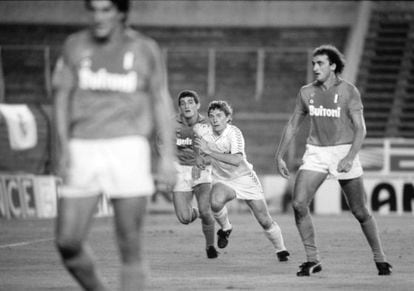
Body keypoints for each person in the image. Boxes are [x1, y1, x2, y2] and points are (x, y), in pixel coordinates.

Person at [52, 1, 176, 290]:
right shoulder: (74, 45)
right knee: (67, 242)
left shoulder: (145, 48)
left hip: (128, 149)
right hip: (83, 147)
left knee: (129, 245)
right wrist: (63, 147)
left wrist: (167, 156)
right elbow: (60, 99)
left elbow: (160, 98)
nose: (98, 16)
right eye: (93, 9)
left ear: (121, 12)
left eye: (106, 9)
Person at [275, 44, 392, 276]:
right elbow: (292, 125)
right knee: (298, 204)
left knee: (359, 210)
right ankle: (312, 259)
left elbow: (361, 129)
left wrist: (350, 156)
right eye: (313, 64)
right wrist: (279, 154)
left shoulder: (349, 91)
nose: (315, 68)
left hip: (343, 150)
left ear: (333, 66)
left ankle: (380, 258)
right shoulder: (306, 92)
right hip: (316, 152)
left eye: (320, 63)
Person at [195, 100, 290, 262]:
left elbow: (236, 160)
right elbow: (199, 148)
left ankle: (281, 250)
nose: (215, 119)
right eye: (211, 116)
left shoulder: (234, 133)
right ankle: (226, 228)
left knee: (264, 219)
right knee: (215, 202)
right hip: (223, 179)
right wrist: (200, 158)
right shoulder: (202, 131)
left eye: (219, 115)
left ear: (228, 118)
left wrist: (208, 151)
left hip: (244, 178)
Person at [172, 90, 218, 259]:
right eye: (183, 103)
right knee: (184, 218)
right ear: (179, 108)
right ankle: (195, 213)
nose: (187, 105)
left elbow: (216, 148)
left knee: (206, 211)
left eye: (190, 102)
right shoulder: (171, 125)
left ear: (198, 105)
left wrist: (204, 161)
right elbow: (162, 147)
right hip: (180, 170)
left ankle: (210, 246)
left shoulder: (208, 124)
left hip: (202, 168)